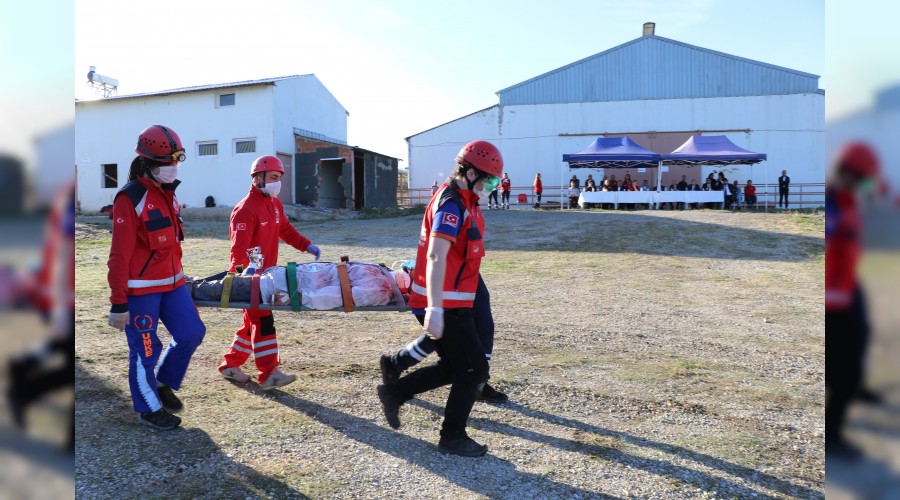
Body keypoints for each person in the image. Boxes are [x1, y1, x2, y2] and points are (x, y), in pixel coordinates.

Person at [376, 140, 502, 457]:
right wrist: (434, 307)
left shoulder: (465, 200)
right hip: (446, 301)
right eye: (488, 179)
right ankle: (452, 436)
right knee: (473, 371)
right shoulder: (451, 204)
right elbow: (435, 257)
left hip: (457, 298)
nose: (490, 186)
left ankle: (396, 392)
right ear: (470, 172)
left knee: (457, 367)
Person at [107, 125, 206, 430]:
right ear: (148, 163)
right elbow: (119, 255)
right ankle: (148, 408)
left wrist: (181, 275)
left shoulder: (169, 193)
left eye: (175, 162)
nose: (172, 168)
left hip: (173, 285)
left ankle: (163, 382)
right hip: (140, 292)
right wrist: (118, 303)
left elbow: (171, 243)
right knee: (146, 351)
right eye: (166, 163)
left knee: (192, 333)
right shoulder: (129, 198)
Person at [219, 155, 321, 389]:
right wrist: (240, 278)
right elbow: (238, 249)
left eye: (279, 179)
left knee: (251, 323)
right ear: (258, 178)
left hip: (269, 276)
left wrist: (306, 245)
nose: (277, 184)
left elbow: (286, 230)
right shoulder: (245, 210)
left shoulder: (274, 204)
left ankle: (230, 366)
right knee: (263, 322)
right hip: (252, 280)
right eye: (273, 178)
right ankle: (269, 373)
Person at [825, 142, 883, 460]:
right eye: (863, 180)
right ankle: (832, 434)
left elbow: (882, 189)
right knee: (841, 367)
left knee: (863, 335)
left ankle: (854, 383)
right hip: (832, 298)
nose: (868, 187)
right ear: (847, 173)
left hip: (849, 286)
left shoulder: (848, 198)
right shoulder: (831, 207)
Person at [7, 182, 75, 451]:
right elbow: (60, 255)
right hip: (61, 299)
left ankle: (23, 369)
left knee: (59, 353)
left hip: (59, 297)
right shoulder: (68, 197)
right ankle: (23, 389)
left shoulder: (66, 194)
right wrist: (59, 308)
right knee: (68, 367)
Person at [379, 274, 508, 403]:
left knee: (463, 328)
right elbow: (435, 259)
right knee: (461, 329)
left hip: (461, 270)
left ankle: (397, 363)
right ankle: (477, 381)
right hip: (448, 273)